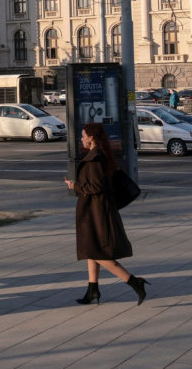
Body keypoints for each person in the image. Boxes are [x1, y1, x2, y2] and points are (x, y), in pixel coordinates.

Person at [64, 122, 148, 305]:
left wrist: (75, 186)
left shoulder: (95, 159)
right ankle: (92, 290)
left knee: (99, 253)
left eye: (83, 135)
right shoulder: (100, 155)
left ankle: (134, 281)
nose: (82, 139)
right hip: (96, 211)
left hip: (96, 213)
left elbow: (96, 186)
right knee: (90, 250)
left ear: (91, 137)